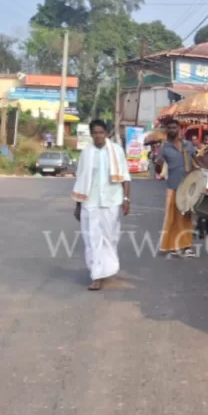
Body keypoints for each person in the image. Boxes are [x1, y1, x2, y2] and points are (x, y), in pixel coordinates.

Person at [72, 119, 131, 291]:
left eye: (101, 132)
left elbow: (125, 176)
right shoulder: (86, 153)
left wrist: (126, 200)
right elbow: (81, 179)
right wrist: (77, 206)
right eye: (95, 133)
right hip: (89, 202)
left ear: (106, 133)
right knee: (92, 238)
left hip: (111, 201)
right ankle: (96, 275)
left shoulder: (116, 151)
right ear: (91, 135)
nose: (98, 135)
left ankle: (107, 267)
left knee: (110, 238)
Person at [155, 119, 197, 258]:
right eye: (169, 128)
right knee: (172, 217)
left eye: (174, 127)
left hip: (188, 186)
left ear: (179, 129)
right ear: (166, 130)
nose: (172, 130)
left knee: (186, 216)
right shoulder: (164, 148)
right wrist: (158, 164)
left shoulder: (188, 145)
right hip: (172, 186)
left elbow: (196, 163)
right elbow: (158, 168)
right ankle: (172, 245)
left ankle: (187, 246)